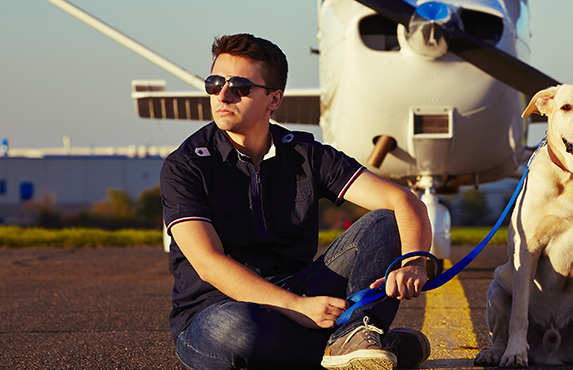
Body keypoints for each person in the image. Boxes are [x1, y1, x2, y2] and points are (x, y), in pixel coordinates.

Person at [161, 34, 432, 370]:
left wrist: (416, 261)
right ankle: (356, 342)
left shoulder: (305, 154)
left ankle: (353, 337)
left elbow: (402, 200)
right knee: (241, 329)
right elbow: (208, 262)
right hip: (216, 311)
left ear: (274, 99)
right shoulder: (186, 164)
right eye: (214, 83)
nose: (223, 95)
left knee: (386, 221)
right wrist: (297, 308)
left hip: (301, 293)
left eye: (240, 86)